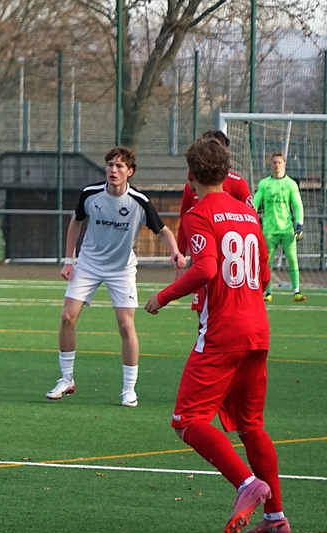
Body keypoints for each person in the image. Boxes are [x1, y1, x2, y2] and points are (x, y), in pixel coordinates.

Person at [146, 138, 288, 533]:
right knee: (251, 425)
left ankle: (247, 484)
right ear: (227, 173)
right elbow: (263, 274)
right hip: (258, 330)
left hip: (223, 333)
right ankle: (276, 517)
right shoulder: (248, 214)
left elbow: (207, 267)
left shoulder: (197, 214)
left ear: (190, 174)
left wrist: (163, 296)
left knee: (187, 420)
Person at [47, 147, 186, 407]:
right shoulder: (91, 194)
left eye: (120, 166)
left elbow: (164, 230)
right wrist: (69, 260)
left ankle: (129, 389)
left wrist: (176, 252)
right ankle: (66, 379)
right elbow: (75, 221)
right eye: (110, 164)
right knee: (67, 317)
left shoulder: (139, 202)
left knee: (125, 325)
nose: (113, 169)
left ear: (129, 172)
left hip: (121, 269)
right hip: (88, 264)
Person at [175, 131, 252, 311]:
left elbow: (252, 224)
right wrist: (180, 253)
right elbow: (183, 221)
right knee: (202, 314)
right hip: (201, 259)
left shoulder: (238, 184)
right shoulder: (191, 188)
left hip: (231, 266)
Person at [252, 152, 305, 302]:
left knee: (292, 259)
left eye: (279, 162)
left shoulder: (290, 184)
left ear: (284, 164)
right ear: (271, 164)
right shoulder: (264, 184)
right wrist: (249, 220)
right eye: (274, 162)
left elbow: (298, 205)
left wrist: (299, 224)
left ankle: (296, 291)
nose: (277, 165)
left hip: (287, 229)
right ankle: (267, 292)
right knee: (267, 262)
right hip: (269, 229)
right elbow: (255, 204)